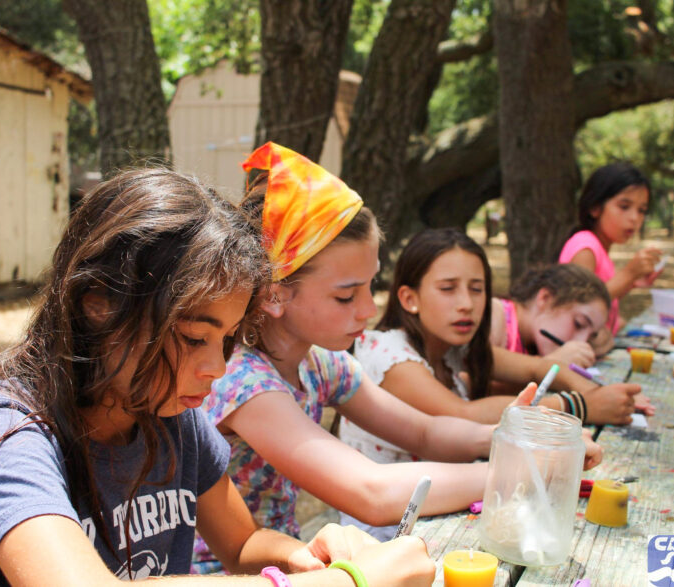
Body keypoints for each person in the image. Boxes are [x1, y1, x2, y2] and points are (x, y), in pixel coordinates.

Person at [0, 168, 436, 586]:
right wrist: (348, 582)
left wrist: (308, 555)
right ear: (98, 306)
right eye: (191, 337)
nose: (216, 368)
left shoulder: (172, 417)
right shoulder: (5, 435)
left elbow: (243, 547)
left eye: (226, 340)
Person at [192, 143, 602, 562]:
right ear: (275, 296)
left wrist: (517, 442)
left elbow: (425, 432)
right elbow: (369, 492)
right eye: (346, 296)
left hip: (288, 561)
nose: (369, 309)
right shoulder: (245, 382)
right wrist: (509, 472)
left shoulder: (323, 365)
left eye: (370, 286)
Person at [337, 228, 650, 430]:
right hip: (389, 528)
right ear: (409, 298)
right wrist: (581, 406)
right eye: (448, 289)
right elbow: (462, 416)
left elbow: (542, 368)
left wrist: (600, 394)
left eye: (476, 289)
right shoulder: (389, 354)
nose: (466, 304)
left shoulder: (455, 350)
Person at [559, 162, 663, 352]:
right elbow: (582, 307)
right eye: (624, 206)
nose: (635, 218)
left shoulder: (599, 247)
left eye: (641, 210)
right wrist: (629, 274)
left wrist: (631, 283)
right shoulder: (585, 247)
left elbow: (605, 296)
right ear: (595, 208)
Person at [489, 264, 612, 368]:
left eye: (590, 336)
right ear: (545, 298)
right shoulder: (494, 318)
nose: (581, 341)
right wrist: (548, 365)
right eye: (578, 324)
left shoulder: (532, 341)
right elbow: (475, 388)